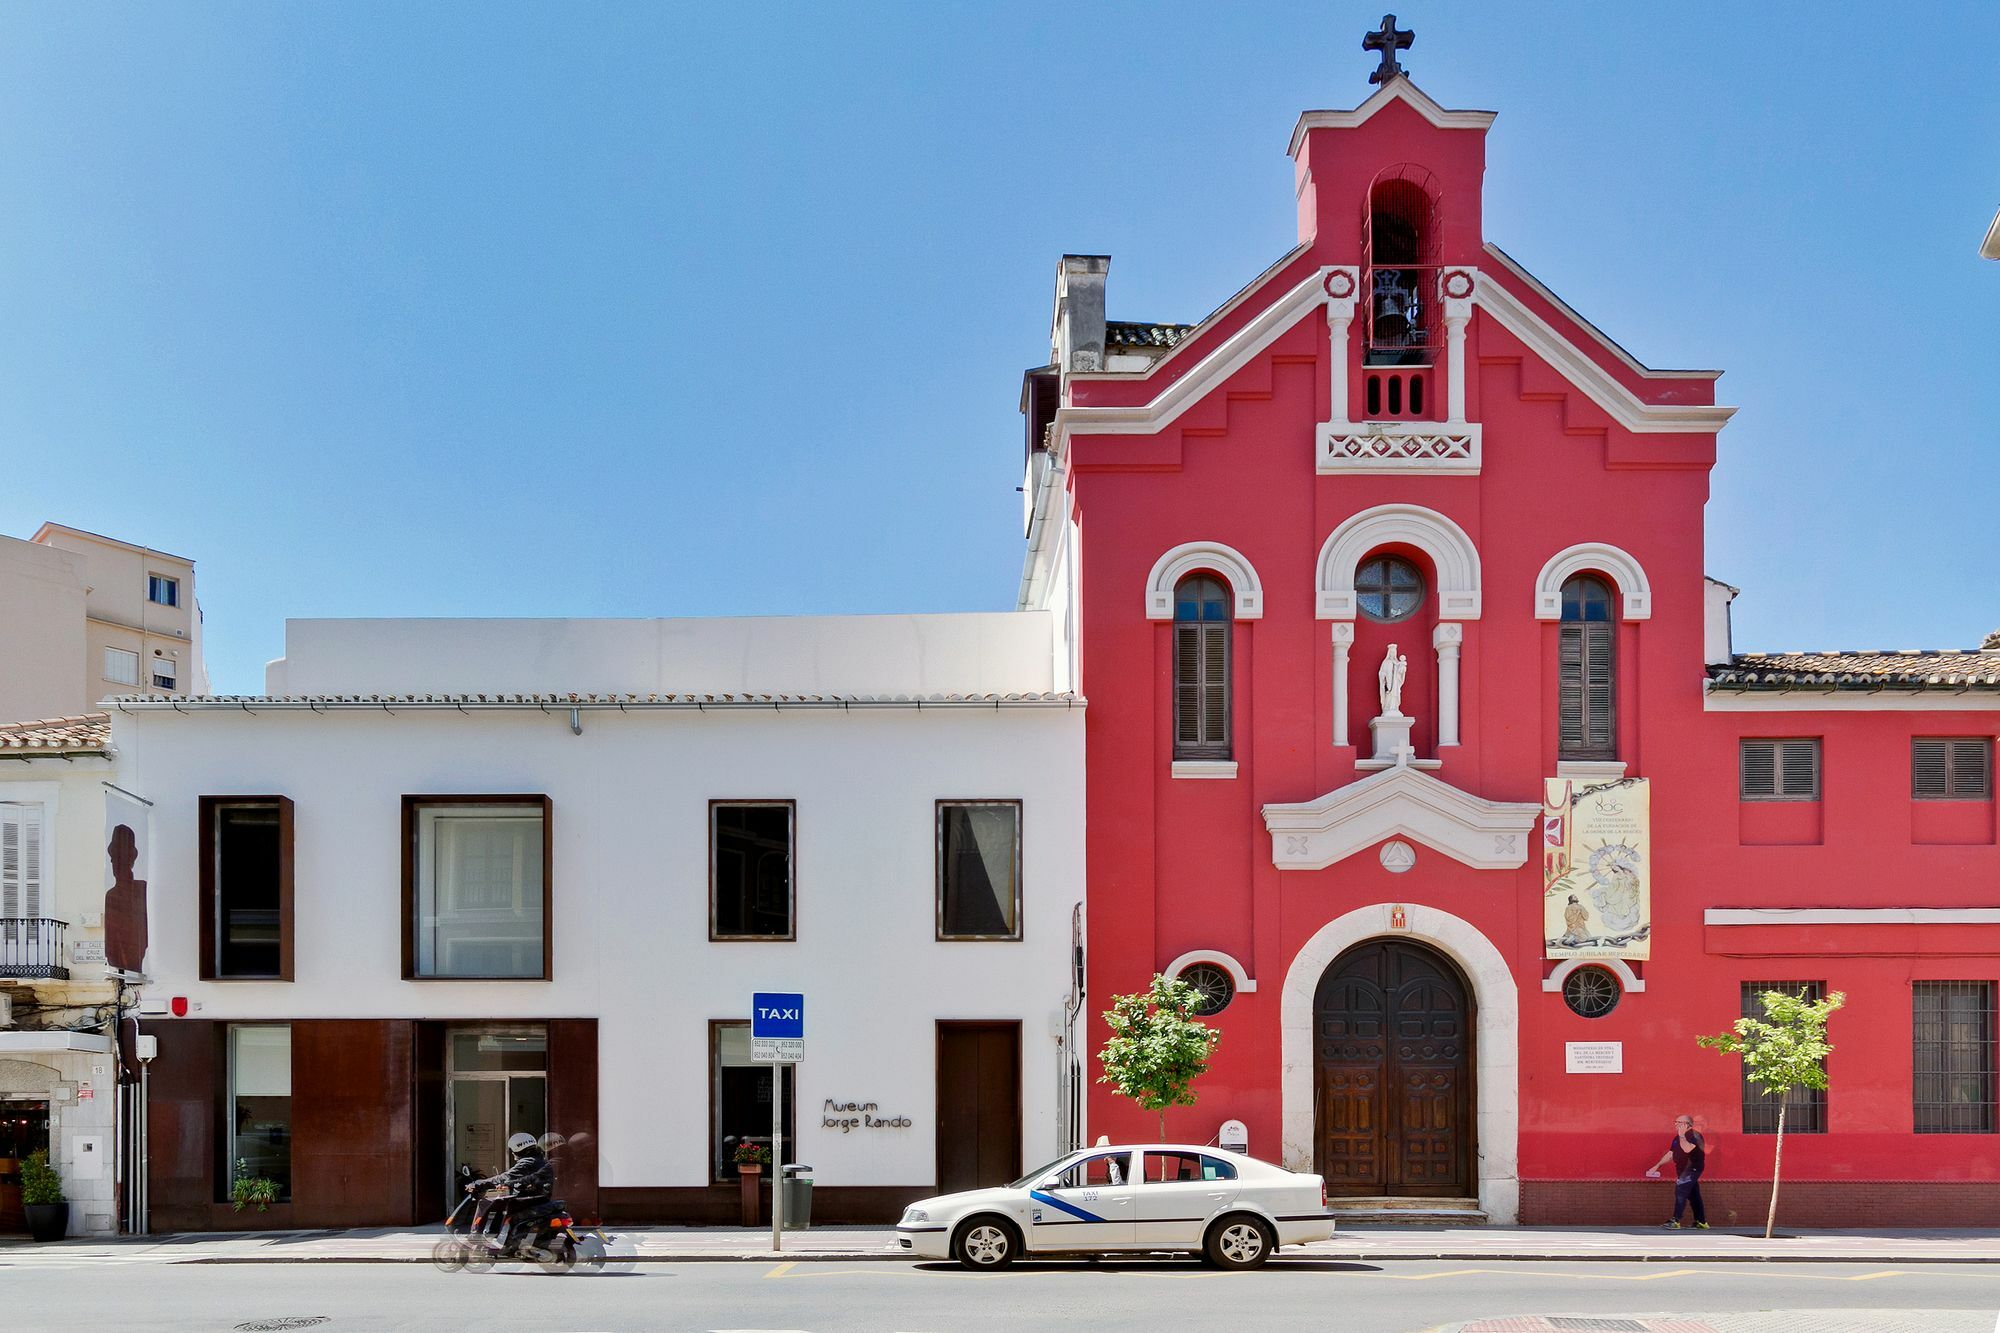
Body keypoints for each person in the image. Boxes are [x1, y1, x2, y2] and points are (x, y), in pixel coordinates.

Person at [470, 1132, 555, 1250]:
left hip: (530, 1198)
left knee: (486, 1201)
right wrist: (509, 1186)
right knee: (499, 1200)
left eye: (513, 1150)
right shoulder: (539, 1160)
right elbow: (525, 1179)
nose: (512, 1153)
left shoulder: (528, 1162)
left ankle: (476, 1235)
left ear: (518, 1148)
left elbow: (507, 1177)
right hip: (537, 1195)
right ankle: (494, 1234)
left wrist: (479, 1183)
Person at [1644, 1113, 1707, 1229]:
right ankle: (1701, 1222)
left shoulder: (1695, 1136)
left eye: (1678, 1123)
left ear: (1687, 1125)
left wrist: (1682, 1136)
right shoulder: (1677, 1137)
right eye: (1675, 1122)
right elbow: (1671, 1153)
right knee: (1694, 1195)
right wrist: (1657, 1166)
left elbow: (1687, 1149)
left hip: (1692, 1169)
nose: (1675, 1125)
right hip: (1681, 1169)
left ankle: (1675, 1220)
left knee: (1681, 1190)